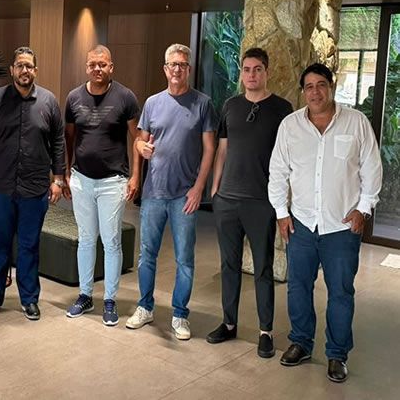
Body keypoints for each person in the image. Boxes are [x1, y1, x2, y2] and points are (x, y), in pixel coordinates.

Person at [269, 62, 382, 383]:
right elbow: (278, 171)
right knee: (298, 287)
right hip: (302, 224)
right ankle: (301, 342)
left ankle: (337, 354)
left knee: (341, 292)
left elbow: (372, 168)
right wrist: (281, 212)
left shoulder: (356, 122)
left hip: (342, 227)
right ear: (303, 91)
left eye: (321, 85)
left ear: (331, 86)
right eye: (309, 86)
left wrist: (363, 209)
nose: (315, 92)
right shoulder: (290, 126)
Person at [125, 43, 217, 340]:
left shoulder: (202, 104)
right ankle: (145, 307)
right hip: (154, 192)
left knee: (184, 259)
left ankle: (180, 314)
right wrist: (142, 148)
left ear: (189, 69)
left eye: (182, 65)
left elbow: (210, 149)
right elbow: (139, 141)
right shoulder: (153, 103)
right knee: (147, 255)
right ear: (165, 69)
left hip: (184, 195)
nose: (177, 69)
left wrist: (199, 188)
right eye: (172, 64)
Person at [206, 47, 293, 357]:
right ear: (241, 73)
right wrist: (215, 189)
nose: (252, 74)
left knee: (263, 268)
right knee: (229, 265)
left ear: (266, 72)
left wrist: (282, 201)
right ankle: (229, 323)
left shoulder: (282, 109)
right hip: (227, 200)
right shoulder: (230, 106)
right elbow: (223, 149)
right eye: (247, 69)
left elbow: (287, 156)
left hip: (261, 202)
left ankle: (265, 331)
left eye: (257, 69)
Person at [0, 46, 66, 321]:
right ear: (12, 69)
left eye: (29, 66)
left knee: (29, 246)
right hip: (1, 187)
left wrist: (58, 179)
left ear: (35, 70)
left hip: (34, 189)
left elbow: (58, 142)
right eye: (20, 65)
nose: (24, 70)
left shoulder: (48, 101)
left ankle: (29, 299)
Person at [63, 45, 140, 326]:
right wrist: (66, 173)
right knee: (85, 239)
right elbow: (68, 138)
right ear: (87, 67)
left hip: (113, 181)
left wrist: (135, 176)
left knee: (111, 241)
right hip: (81, 179)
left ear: (111, 67)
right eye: (93, 64)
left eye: (103, 64)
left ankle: (109, 299)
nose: (98, 68)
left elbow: (138, 138)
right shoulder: (74, 97)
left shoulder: (125, 97)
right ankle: (85, 295)